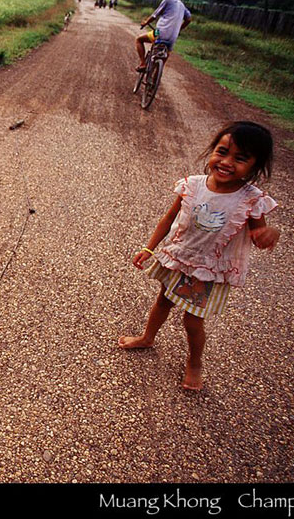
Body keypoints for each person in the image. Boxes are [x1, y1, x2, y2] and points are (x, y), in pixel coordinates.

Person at [118, 121, 280, 391]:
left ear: (255, 166)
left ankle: (194, 363)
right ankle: (147, 337)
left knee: (192, 319)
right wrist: (149, 248)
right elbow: (169, 218)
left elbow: (259, 232)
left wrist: (268, 234)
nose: (227, 162)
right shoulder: (193, 185)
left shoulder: (250, 199)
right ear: (212, 150)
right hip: (180, 257)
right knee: (163, 300)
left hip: (208, 267)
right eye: (222, 151)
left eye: (240, 158)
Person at [135, 0, 192, 71]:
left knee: (139, 39)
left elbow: (154, 15)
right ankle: (156, 78)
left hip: (160, 32)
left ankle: (143, 64)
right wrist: (179, 29)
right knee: (165, 56)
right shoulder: (182, 5)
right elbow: (188, 19)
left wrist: (146, 22)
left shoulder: (167, 0)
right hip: (173, 38)